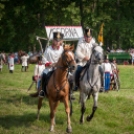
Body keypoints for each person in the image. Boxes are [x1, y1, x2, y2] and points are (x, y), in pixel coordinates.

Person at [39, 32, 64, 98]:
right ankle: (43, 91)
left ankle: (69, 93)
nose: (57, 42)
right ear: (53, 40)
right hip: (50, 68)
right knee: (44, 74)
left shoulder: (62, 49)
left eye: (58, 41)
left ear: (61, 41)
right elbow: (44, 59)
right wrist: (50, 64)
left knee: (69, 76)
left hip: (59, 69)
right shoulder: (48, 49)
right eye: (56, 40)